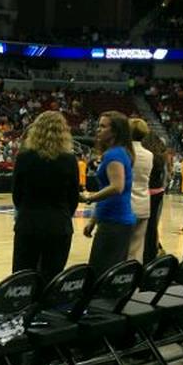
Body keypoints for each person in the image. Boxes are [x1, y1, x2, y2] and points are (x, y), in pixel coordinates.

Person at [12, 111, 79, 282]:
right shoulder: (70, 160)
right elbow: (73, 197)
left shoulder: (24, 157)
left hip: (29, 222)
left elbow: (16, 195)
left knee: (22, 277)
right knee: (52, 278)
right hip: (59, 224)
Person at [80, 111, 136, 277]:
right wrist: (93, 221)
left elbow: (116, 187)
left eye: (103, 126)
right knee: (106, 272)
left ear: (115, 131)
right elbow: (109, 191)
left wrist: (90, 197)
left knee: (100, 274)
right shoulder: (118, 152)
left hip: (115, 222)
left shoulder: (114, 155)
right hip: (113, 221)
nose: (98, 130)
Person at [127, 119, 154, 263]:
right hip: (143, 202)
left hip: (126, 204)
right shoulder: (149, 154)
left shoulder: (124, 152)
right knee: (137, 250)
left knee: (121, 249)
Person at [142, 133, 168, 263]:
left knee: (141, 227)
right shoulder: (161, 157)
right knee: (152, 226)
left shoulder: (145, 156)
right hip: (158, 192)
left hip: (145, 192)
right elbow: (165, 176)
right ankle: (152, 254)